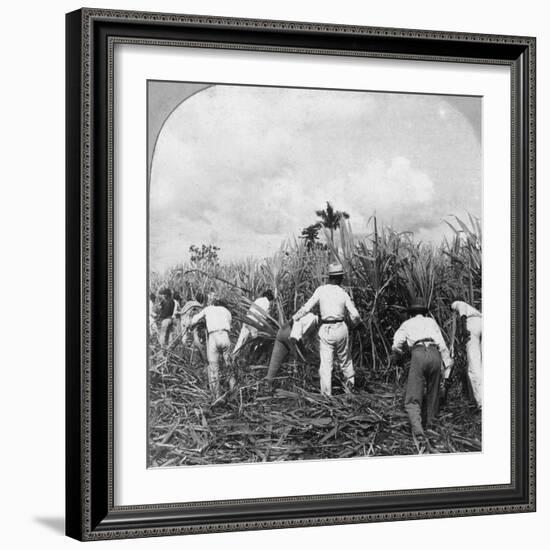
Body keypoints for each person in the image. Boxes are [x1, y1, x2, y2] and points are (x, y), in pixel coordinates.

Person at [292, 263, 361, 396]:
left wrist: (294, 318)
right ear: (340, 277)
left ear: (330, 277)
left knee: (325, 364)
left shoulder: (321, 290)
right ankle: (350, 390)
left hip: (326, 329)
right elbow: (355, 315)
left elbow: (307, 307)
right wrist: (356, 324)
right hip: (341, 328)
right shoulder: (343, 293)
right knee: (345, 360)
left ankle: (326, 396)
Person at [391, 299, 453, 440]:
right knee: (433, 393)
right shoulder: (431, 322)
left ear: (411, 313)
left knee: (413, 397)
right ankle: (431, 426)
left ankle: (418, 432)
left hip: (418, 354)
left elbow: (396, 345)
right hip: (434, 353)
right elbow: (442, 345)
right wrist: (447, 366)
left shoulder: (406, 324)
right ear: (423, 312)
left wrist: (399, 357)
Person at [190, 296, 233, 399]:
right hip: (225, 336)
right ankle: (233, 391)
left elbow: (194, 319)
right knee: (230, 366)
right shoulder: (226, 311)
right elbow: (229, 324)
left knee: (213, 367)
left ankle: (216, 396)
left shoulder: (208, 309)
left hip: (214, 337)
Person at [265, 313, 318, 389]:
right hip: (291, 334)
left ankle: (267, 386)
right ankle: (300, 386)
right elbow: (299, 327)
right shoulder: (312, 318)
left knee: (274, 364)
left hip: (282, 332)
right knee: (302, 361)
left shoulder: (307, 315)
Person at [451, 300, 482, 408]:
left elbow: (462, 313)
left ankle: (481, 402)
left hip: (472, 325)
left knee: (474, 365)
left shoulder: (457, 303)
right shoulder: (474, 309)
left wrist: (464, 330)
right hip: (481, 322)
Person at [232, 289, 274, 357]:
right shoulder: (267, 303)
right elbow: (264, 316)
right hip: (255, 322)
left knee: (241, 340)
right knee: (256, 341)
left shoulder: (258, 299)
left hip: (247, 319)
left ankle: (234, 355)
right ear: (270, 298)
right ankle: (253, 357)